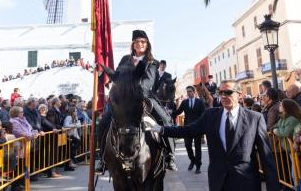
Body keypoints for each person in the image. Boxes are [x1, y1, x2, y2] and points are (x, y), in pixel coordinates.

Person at [144, 80, 279, 191]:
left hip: (246, 183)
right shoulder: (211, 116)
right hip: (218, 182)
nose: (223, 96)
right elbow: (188, 130)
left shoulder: (255, 118)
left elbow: (266, 158)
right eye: (221, 93)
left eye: (228, 92)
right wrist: (161, 129)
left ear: (239, 94)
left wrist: (273, 188)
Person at [97, 29, 177, 171]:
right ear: (133, 44)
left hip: (143, 97)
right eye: (138, 42)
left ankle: (170, 155)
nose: (141, 44)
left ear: (147, 44)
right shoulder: (125, 59)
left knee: (165, 119)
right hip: (123, 98)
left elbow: (148, 82)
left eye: (143, 41)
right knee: (104, 122)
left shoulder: (152, 62)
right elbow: (118, 77)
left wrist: (133, 88)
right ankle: (102, 158)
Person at [171, 86, 205, 173]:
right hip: (187, 128)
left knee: (198, 148)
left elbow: (203, 115)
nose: (188, 93)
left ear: (194, 92)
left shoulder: (200, 102)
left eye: (190, 91)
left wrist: (202, 127)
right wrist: (170, 114)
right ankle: (193, 160)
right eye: (187, 92)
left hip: (197, 128)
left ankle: (198, 166)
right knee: (187, 146)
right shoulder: (185, 102)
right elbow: (178, 112)